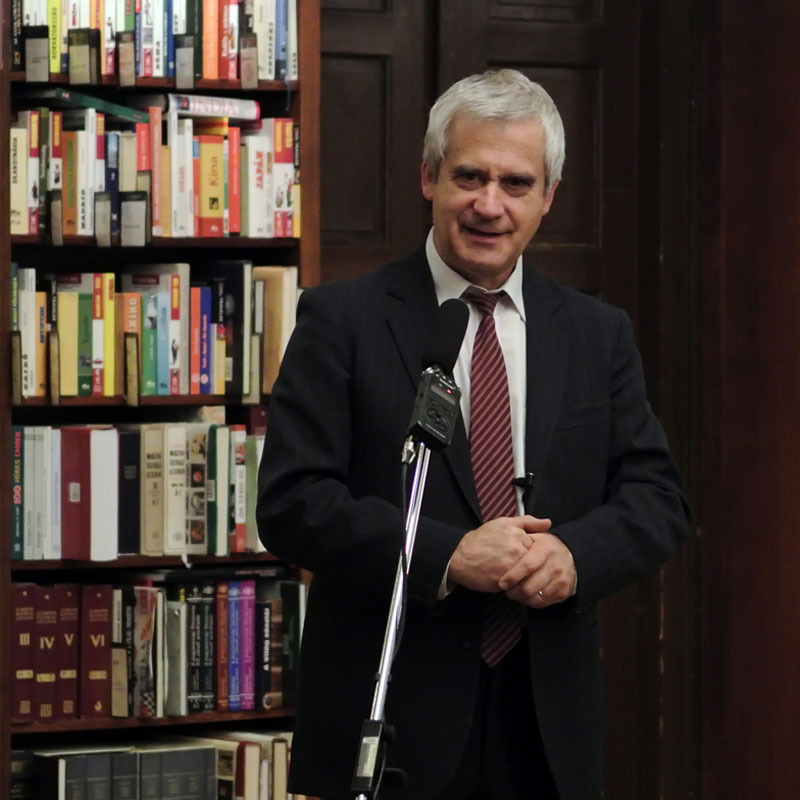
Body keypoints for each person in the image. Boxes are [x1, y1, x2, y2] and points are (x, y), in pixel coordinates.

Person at [257, 69, 690, 800]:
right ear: (429, 178)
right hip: (393, 716)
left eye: (517, 183)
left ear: (548, 196)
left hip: (547, 723)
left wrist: (574, 555)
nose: (490, 205)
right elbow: (293, 504)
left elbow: (657, 499)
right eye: (469, 176)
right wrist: (448, 554)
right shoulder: (342, 320)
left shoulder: (597, 332)